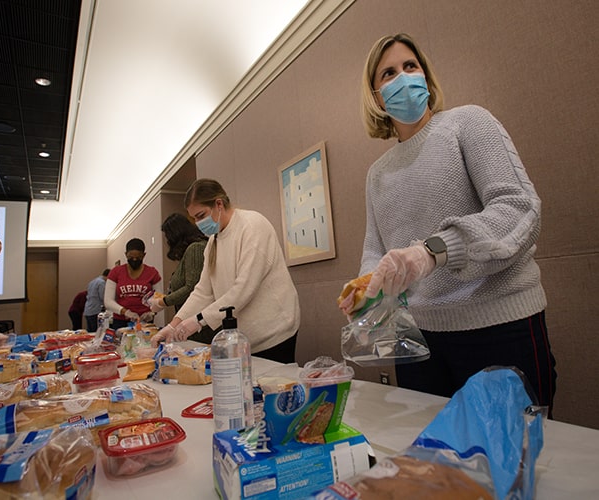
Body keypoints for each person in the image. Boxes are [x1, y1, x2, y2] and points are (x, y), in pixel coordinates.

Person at [345, 32, 556, 413]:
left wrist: (434, 252)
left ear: (426, 76)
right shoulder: (377, 174)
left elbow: (518, 208)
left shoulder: (467, 124)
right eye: (388, 73)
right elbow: (376, 250)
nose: (403, 77)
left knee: (511, 464)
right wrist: (365, 290)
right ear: (377, 97)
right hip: (420, 343)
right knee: (434, 462)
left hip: (498, 330)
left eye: (411, 66)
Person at [151, 179, 300, 363]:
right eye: (194, 218)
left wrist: (198, 320)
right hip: (244, 338)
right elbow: (203, 291)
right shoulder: (214, 241)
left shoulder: (252, 226)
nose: (198, 223)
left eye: (201, 215)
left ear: (218, 204)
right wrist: (174, 325)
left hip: (274, 332)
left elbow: (243, 289)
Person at [148, 213, 214, 343]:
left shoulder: (195, 249)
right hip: (190, 323)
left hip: (200, 328)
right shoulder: (189, 252)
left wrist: (163, 302)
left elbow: (192, 288)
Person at [104, 238, 161, 331]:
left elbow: (159, 299)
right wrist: (125, 312)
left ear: (144, 255)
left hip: (144, 321)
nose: (134, 259)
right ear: (126, 254)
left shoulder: (152, 273)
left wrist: (152, 313)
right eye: (131, 257)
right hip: (121, 320)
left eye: (138, 257)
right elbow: (108, 301)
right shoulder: (116, 272)